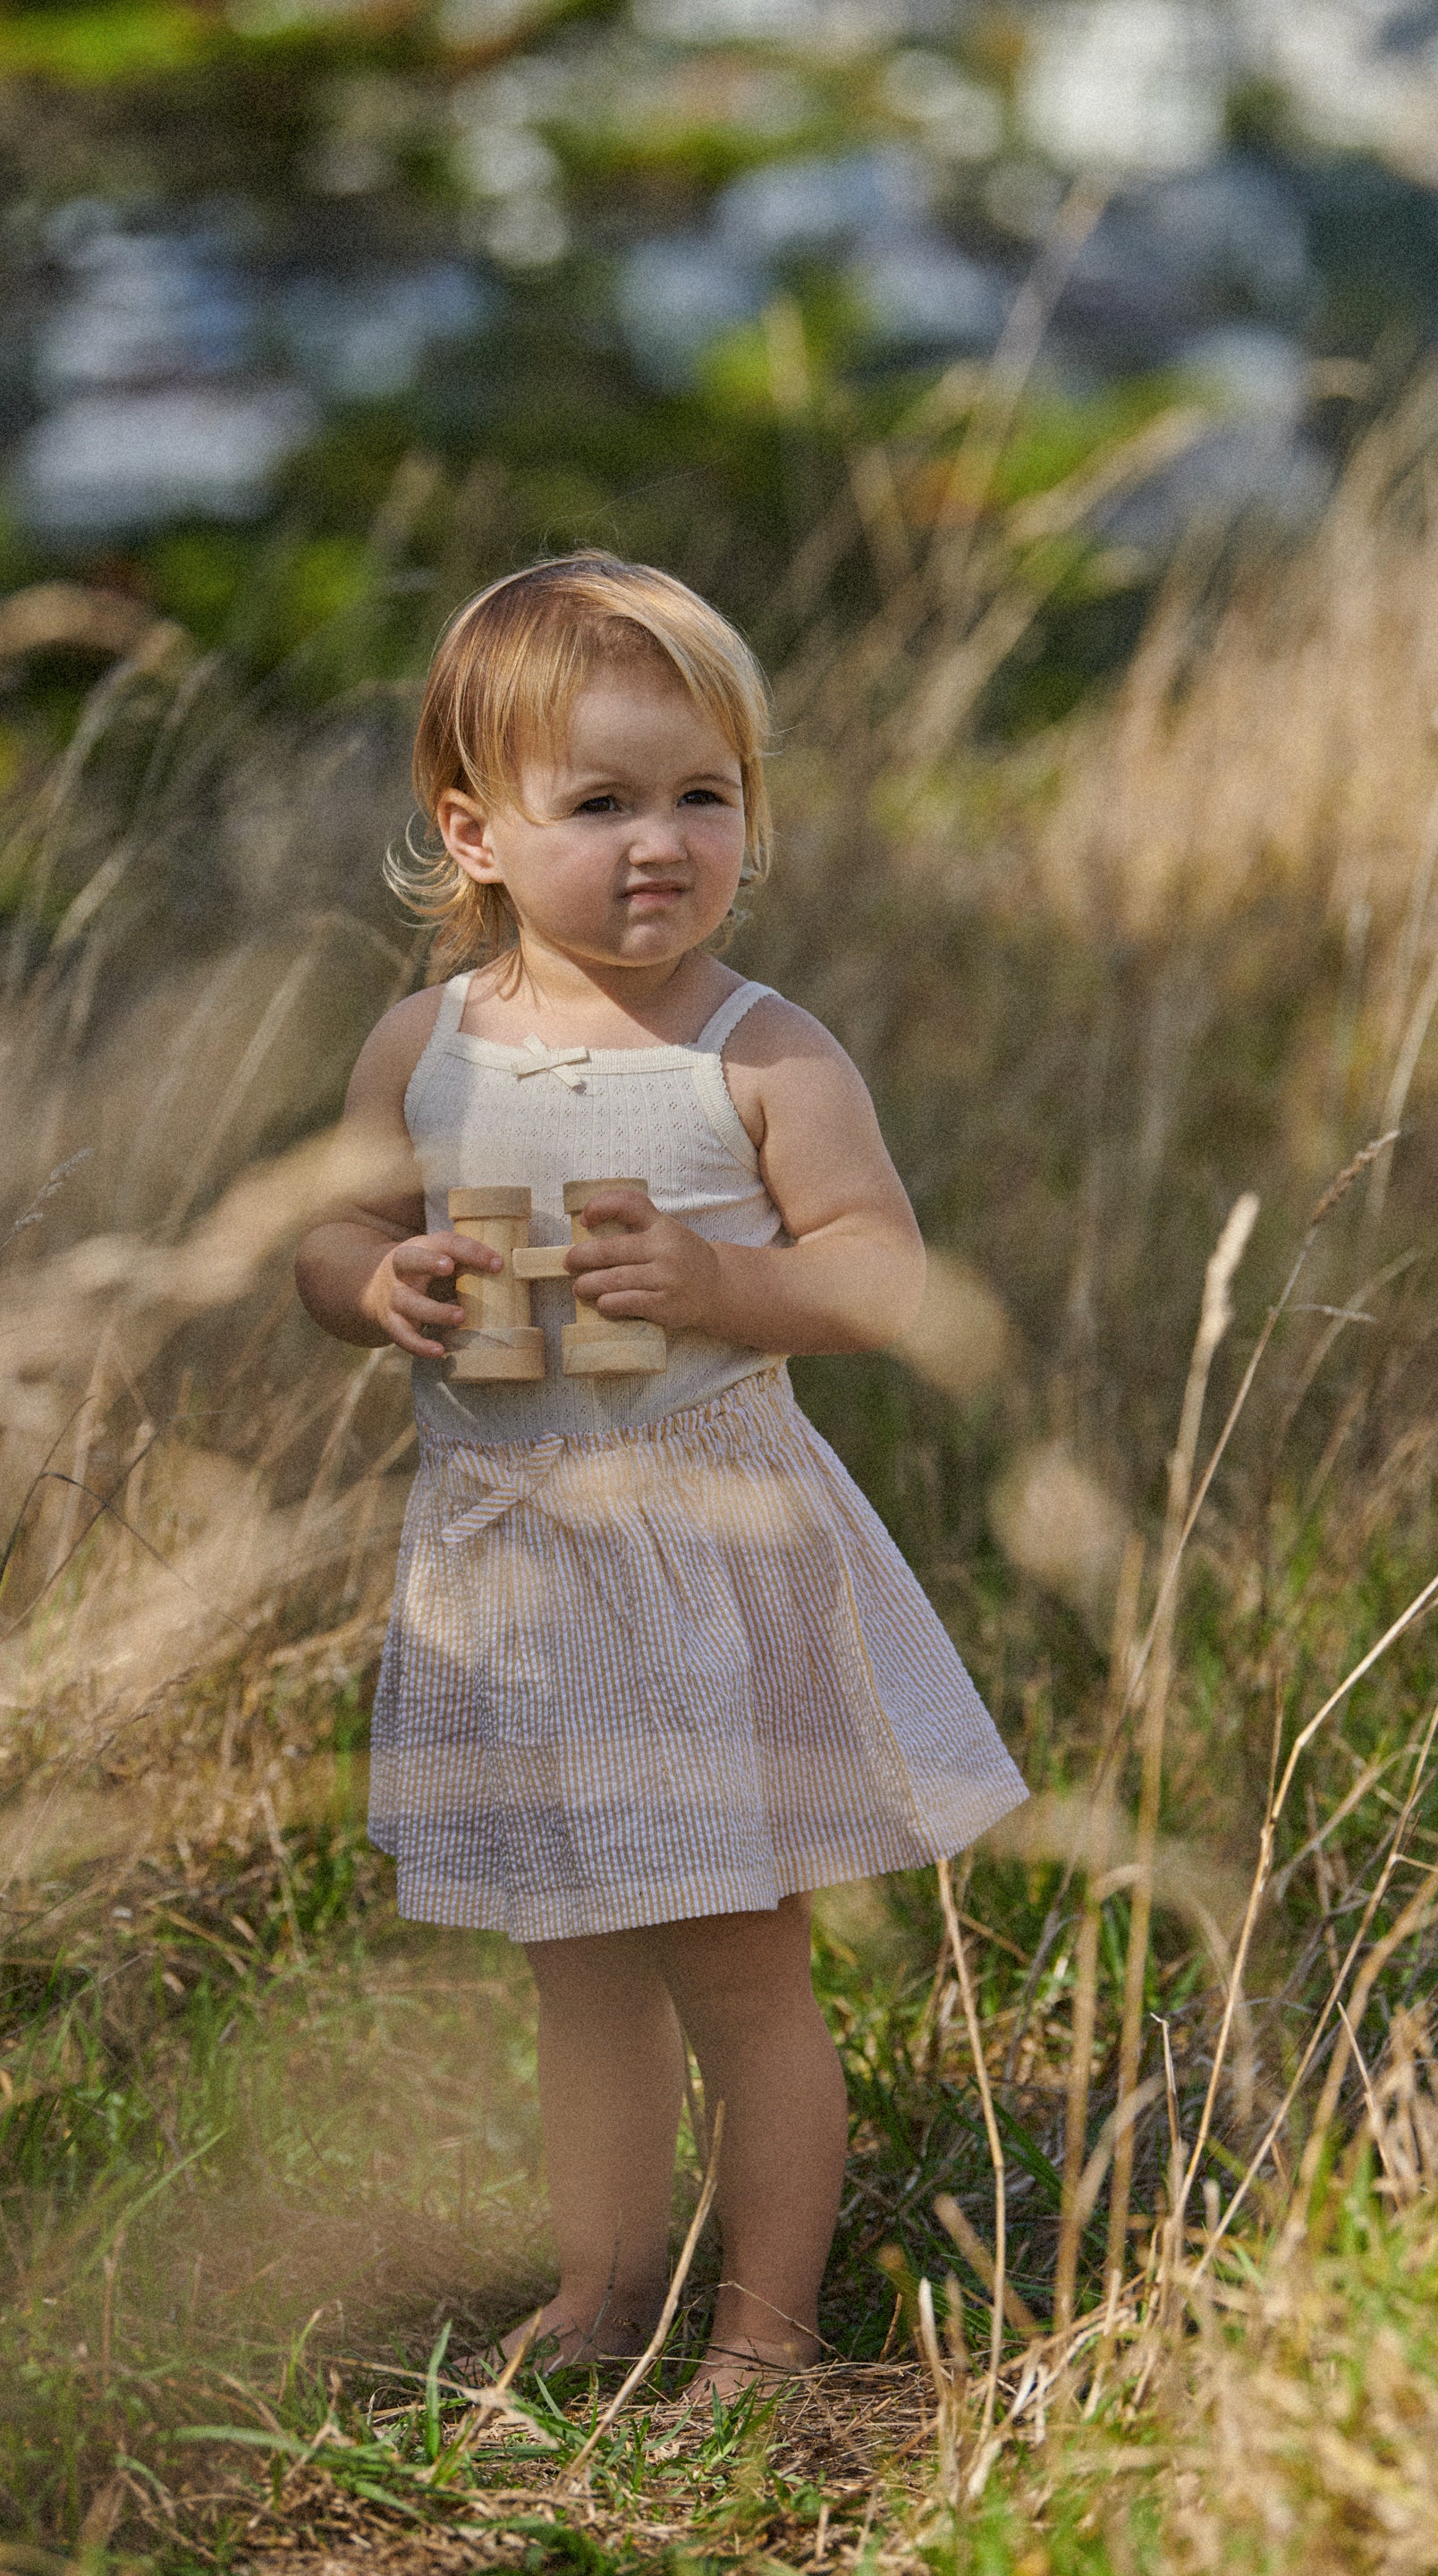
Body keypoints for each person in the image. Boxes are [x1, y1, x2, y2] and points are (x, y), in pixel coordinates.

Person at [294, 553, 1026, 2399]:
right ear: (471, 829)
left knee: (736, 1969)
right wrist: (377, 1281)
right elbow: (329, 1232)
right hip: (512, 1574)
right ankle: (603, 2286)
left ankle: (764, 2336)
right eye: (601, 800)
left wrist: (723, 1281)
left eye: (704, 795)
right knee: (576, 1966)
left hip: (696, 1557)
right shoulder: (428, 1046)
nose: (661, 844)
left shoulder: (756, 1053)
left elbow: (880, 1273)